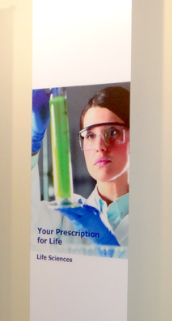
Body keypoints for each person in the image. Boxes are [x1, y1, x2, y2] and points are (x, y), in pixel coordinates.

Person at [31, 86, 130, 257]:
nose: (100, 146)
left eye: (112, 132)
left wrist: (108, 243)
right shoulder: (64, 218)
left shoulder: (159, 219)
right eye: (90, 136)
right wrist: (31, 145)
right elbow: (23, 227)